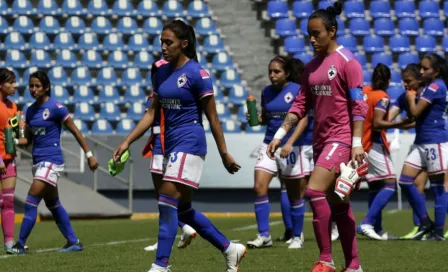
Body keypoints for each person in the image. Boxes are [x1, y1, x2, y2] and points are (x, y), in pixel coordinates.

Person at [113, 20, 246, 272]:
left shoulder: (197, 74)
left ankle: (160, 266)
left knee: (165, 200)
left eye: (168, 42)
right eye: (161, 41)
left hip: (190, 141)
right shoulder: (161, 72)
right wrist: (127, 141)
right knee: (182, 211)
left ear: (184, 44)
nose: (162, 46)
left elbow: (213, 117)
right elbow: (151, 114)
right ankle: (231, 249)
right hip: (169, 143)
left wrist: (224, 153)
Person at [267, 1, 368, 271]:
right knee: (338, 203)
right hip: (320, 141)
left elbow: (359, 105)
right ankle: (354, 266)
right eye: (309, 34)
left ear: (332, 31)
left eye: (317, 34)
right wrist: (279, 134)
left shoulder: (348, 62)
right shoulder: (311, 68)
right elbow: (300, 105)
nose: (312, 39)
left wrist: (357, 144)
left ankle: (326, 260)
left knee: (313, 190)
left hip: (342, 138)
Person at [7, 71, 99, 254]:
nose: (33, 89)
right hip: (38, 162)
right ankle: (74, 242)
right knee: (53, 203)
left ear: (46, 87)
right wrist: (14, 139)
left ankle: (19, 244)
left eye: (37, 86)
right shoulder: (30, 111)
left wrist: (89, 155)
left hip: (52, 161)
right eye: (31, 86)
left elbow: (75, 132)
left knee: (31, 200)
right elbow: (28, 140)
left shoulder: (56, 107)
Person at [246, 56, 311, 249]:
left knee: (294, 195)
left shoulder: (297, 90)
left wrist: (290, 142)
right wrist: (255, 118)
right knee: (259, 187)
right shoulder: (266, 92)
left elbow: (303, 120)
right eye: (270, 72)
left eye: (277, 72)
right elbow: (268, 118)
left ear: (287, 73)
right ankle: (264, 235)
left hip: (291, 146)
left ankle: (297, 236)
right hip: (269, 144)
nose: (272, 75)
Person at [142, 60, 197, 252]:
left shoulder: (160, 97)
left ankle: (175, 232)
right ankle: (184, 227)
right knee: (170, 197)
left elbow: (154, 120)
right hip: (167, 143)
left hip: (163, 146)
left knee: (163, 197)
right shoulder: (163, 95)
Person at [395, 54, 448, 241]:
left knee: (437, 187)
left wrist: (410, 98)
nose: (422, 71)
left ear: (437, 71)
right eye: (422, 68)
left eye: (426, 69)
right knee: (404, 180)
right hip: (421, 142)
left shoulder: (435, 86)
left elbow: (416, 112)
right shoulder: (430, 86)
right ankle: (425, 221)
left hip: (435, 142)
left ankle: (439, 231)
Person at [356, 63, 412, 240]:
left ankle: (377, 229)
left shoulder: (365, 91)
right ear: (388, 80)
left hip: (361, 142)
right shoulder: (382, 97)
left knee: (375, 186)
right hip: (373, 143)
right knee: (390, 183)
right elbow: (378, 123)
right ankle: (367, 222)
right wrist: (401, 124)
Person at [388, 63, 430, 239]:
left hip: (439, 143)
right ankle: (420, 226)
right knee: (415, 185)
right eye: (403, 81)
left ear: (419, 80)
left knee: (442, 187)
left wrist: (404, 123)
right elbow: (389, 116)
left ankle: (435, 227)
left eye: (409, 81)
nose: (405, 85)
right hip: (421, 144)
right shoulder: (405, 97)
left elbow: (423, 121)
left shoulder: (429, 95)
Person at [0, 68, 19, 251]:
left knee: (8, 201)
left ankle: (9, 243)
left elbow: (16, 134)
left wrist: (19, 135)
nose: (14, 86)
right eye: (10, 82)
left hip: (9, 159)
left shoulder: (13, 107)